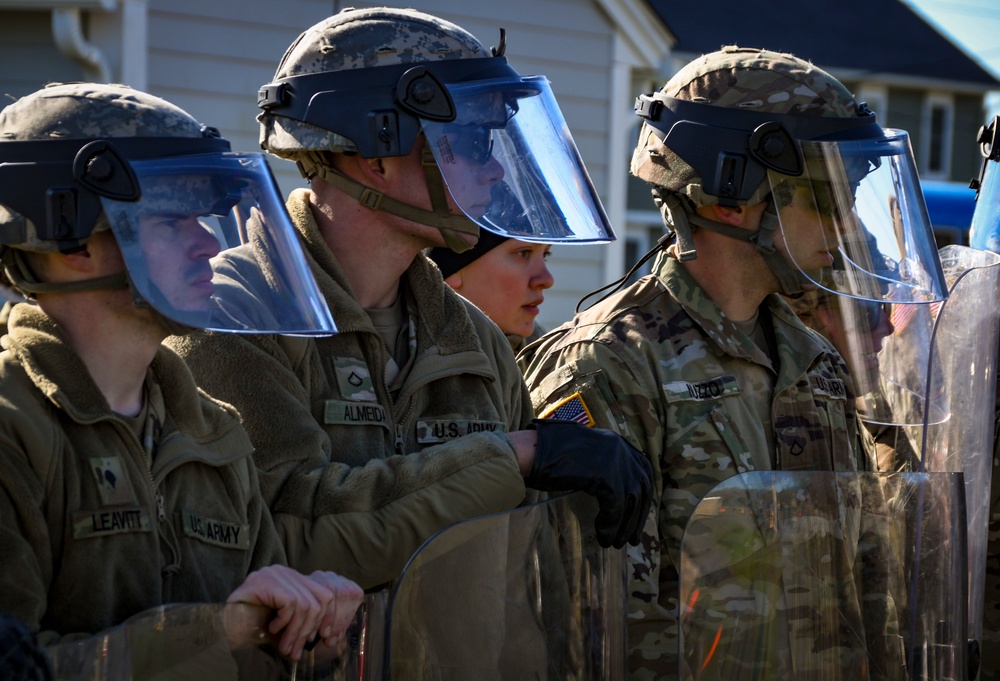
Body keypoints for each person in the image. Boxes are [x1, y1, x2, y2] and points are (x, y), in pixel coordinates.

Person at [164, 5, 653, 593]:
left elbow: (520, 580)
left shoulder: (471, 337)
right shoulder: (235, 316)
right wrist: (514, 455)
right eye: (473, 142)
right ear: (376, 156)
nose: (497, 170)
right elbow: (282, 538)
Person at [521, 46, 950, 679]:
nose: (846, 228)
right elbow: (595, 627)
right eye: (827, 199)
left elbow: (868, 589)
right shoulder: (608, 366)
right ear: (731, 200)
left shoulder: (815, 360)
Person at [0, 82, 363, 665]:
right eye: (173, 222)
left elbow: (260, 649)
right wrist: (218, 632)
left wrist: (307, 634)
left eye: (203, 219)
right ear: (71, 241)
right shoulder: (13, 430)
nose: (207, 247)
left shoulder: (213, 431)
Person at [427, 231, 553, 351]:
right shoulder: (417, 366)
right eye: (523, 253)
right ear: (454, 270)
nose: (547, 280)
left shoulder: (547, 360)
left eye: (545, 255)